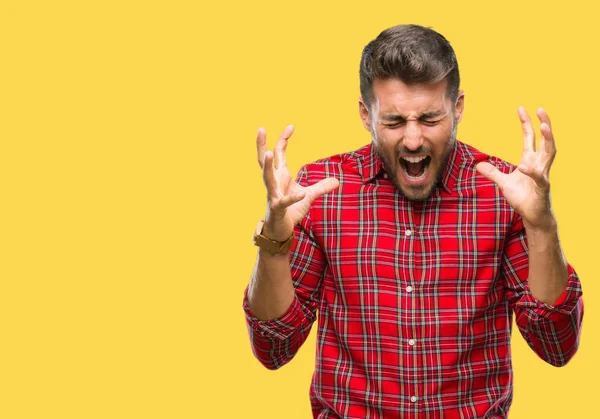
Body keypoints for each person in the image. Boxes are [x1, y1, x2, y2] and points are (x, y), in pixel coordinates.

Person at [242, 24, 583, 418]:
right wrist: (274, 240)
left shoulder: (504, 192)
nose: (414, 139)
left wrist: (542, 227)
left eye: (430, 118)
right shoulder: (321, 192)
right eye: (394, 122)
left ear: (457, 108)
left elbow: (556, 346)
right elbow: (273, 349)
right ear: (365, 114)